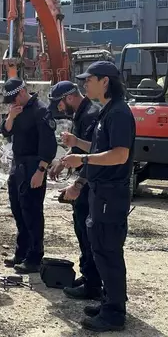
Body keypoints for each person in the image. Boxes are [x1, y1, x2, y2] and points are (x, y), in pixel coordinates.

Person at [61, 61, 135, 333]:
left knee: (108, 252)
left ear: (105, 81)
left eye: (88, 79)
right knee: (101, 250)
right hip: (101, 194)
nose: (84, 84)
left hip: (110, 196)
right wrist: (79, 146)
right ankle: (109, 301)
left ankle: (115, 313)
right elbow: (99, 146)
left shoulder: (118, 113)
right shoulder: (107, 112)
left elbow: (120, 154)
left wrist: (83, 158)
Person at [48, 81, 103, 301]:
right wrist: (63, 162)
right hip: (86, 182)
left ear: (69, 98)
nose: (59, 109)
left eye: (59, 104)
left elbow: (96, 156)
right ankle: (89, 275)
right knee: (82, 232)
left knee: (88, 234)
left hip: (91, 184)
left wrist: (79, 184)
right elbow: (80, 147)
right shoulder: (81, 114)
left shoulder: (91, 115)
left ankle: (92, 285)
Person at [0, 78, 57, 274]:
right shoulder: (17, 110)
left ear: (23, 92)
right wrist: (10, 117)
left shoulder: (40, 110)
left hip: (33, 166)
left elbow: (48, 144)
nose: (13, 104)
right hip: (18, 165)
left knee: (32, 213)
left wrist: (41, 170)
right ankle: (21, 252)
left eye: (14, 99)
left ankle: (34, 257)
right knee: (18, 210)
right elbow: (5, 132)